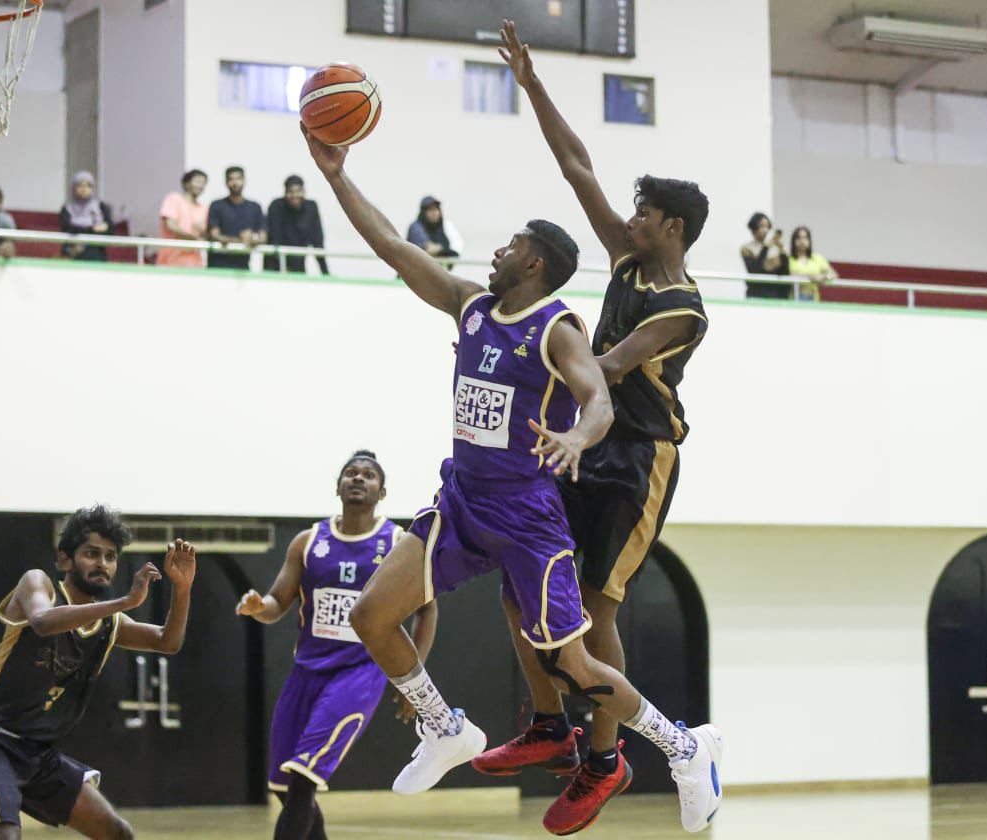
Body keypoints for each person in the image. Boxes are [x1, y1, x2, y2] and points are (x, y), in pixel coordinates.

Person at [303, 117, 721, 836]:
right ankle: (451, 728)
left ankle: (677, 749)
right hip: (465, 500)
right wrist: (337, 176)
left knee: (581, 645)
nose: (495, 250)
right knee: (372, 615)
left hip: (573, 488)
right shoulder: (473, 305)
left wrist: (577, 435)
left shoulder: (565, 327)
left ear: (532, 264)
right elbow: (395, 247)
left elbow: (601, 389)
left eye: (510, 245)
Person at [471, 20, 721, 835]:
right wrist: (532, 84)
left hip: (637, 458)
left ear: (672, 228)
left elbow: (607, 367)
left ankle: (605, 759)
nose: (630, 219)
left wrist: (535, 352)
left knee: (593, 611)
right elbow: (576, 165)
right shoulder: (625, 259)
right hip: (583, 439)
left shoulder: (683, 309)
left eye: (644, 213)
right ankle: (549, 724)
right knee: (522, 583)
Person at [0, 505, 197, 839]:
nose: (102, 563)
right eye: (92, 554)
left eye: (110, 557)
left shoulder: (108, 623)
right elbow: (42, 621)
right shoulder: (38, 584)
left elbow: (168, 641)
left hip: (39, 752)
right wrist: (124, 602)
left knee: (117, 833)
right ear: (65, 560)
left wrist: (182, 589)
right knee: (3, 835)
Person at [237, 451, 436, 840]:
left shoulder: (397, 543)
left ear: (382, 492)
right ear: (338, 486)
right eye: (351, 473)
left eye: (369, 475)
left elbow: (427, 609)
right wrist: (260, 607)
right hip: (306, 672)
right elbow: (277, 602)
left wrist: (413, 680)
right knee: (286, 786)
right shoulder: (308, 541)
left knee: (304, 778)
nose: (358, 478)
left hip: (359, 674)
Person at [265, 175, 329, 275]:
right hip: (275, 266)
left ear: (304, 191)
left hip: (299, 265)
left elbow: (318, 241)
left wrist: (325, 273)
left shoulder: (311, 207)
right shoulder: (276, 206)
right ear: (285, 193)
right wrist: (283, 268)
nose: (295, 195)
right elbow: (275, 239)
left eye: (298, 191)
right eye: (290, 192)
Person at [207, 165, 266, 270]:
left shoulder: (255, 207)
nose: (235, 183)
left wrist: (251, 240)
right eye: (231, 179)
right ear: (226, 182)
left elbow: (263, 238)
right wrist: (240, 240)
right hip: (217, 265)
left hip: (243, 267)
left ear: (244, 180)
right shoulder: (217, 205)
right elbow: (215, 235)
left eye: (238, 178)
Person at [157, 169, 209, 268]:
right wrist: (193, 238)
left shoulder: (203, 209)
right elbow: (171, 225)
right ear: (186, 183)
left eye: (203, 183)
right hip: (170, 261)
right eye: (198, 181)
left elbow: (205, 235)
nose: (200, 186)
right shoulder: (174, 199)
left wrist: (203, 233)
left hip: (195, 263)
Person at [59, 172, 114, 261]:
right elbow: (68, 229)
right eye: (80, 185)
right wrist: (93, 229)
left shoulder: (100, 207)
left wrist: (84, 230)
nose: (84, 189)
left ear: (92, 188)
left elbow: (110, 230)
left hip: (96, 253)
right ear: (74, 188)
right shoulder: (67, 208)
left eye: (88, 186)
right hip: (73, 252)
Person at [740, 211, 789, 299]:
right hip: (756, 293)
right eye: (762, 226)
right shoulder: (747, 248)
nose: (765, 230)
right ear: (754, 227)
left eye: (767, 226)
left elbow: (784, 272)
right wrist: (765, 249)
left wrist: (782, 251)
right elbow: (755, 270)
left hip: (775, 293)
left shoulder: (775, 248)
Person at [407, 196, 463, 269]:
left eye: (436, 209)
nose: (435, 213)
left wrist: (446, 251)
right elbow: (430, 249)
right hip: (413, 272)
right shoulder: (416, 227)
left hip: (434, 271)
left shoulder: (442, 227)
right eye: (430, 210)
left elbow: (457, 247)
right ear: (423, 212)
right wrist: (445, 250)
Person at [787, 225, 838, 302]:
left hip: (813, 301)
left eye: (805, 238)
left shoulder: (817, 258)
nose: (802, 241)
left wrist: (824, 276)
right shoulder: (788, 259)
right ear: (793, 241)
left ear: (809, 241)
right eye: (798, 238)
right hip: (794, 301)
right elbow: (789, 275)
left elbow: (833, 274)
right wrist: (811, 277)